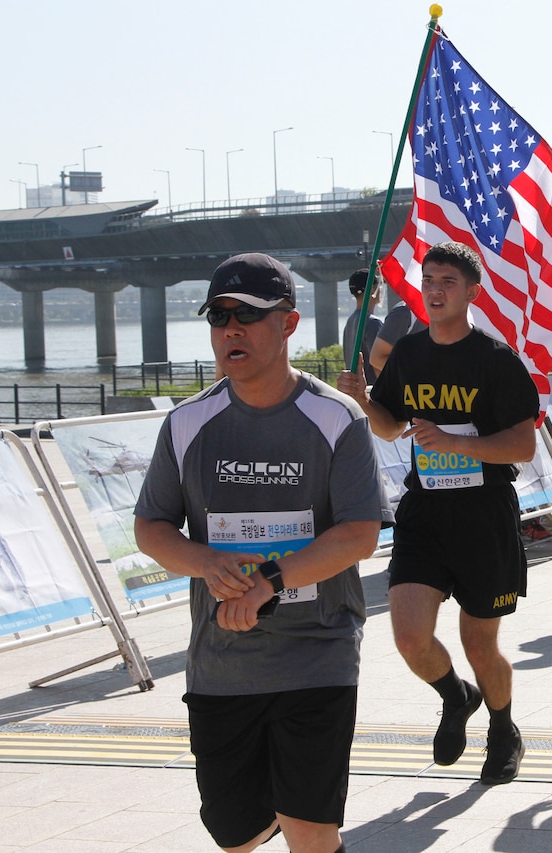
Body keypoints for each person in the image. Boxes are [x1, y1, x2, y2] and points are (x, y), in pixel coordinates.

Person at [134, 252, 393, 853]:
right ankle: (270, 810)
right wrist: (205, 562)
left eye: (248, 315)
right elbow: (150, 526)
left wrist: (270, 581)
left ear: (289, 324)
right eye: (219, 317)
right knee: (235, 835)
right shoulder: (186, 423)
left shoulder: (338, 418)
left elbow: (360, 532)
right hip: (222, 666)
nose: (231, 330)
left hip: (318, 654)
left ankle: (296, 810)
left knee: (311, 830)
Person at [337, 241, 538, 786]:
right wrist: (362, 400)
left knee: (480, 642)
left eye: (447, 281)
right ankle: (457, 696)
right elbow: (389, 424)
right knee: (410, 638)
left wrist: (455, 442)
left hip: (484, 514)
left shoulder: (496, 360)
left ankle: (504, 729)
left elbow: (522, 447)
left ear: (471, 291)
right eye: (428, 280)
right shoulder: (408, 352)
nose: (435, 289)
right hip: (424, 510)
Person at [367, 295, 427, 378]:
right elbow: (377, 359)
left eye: (448, 282)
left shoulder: (448, 314)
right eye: (428, 281)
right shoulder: (404, 312)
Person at [342, 269, 383, 385]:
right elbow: (379, 364)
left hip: (355, 390)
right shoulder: (373, 323)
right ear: (373, 289)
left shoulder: (350, 321)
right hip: (371, 391)